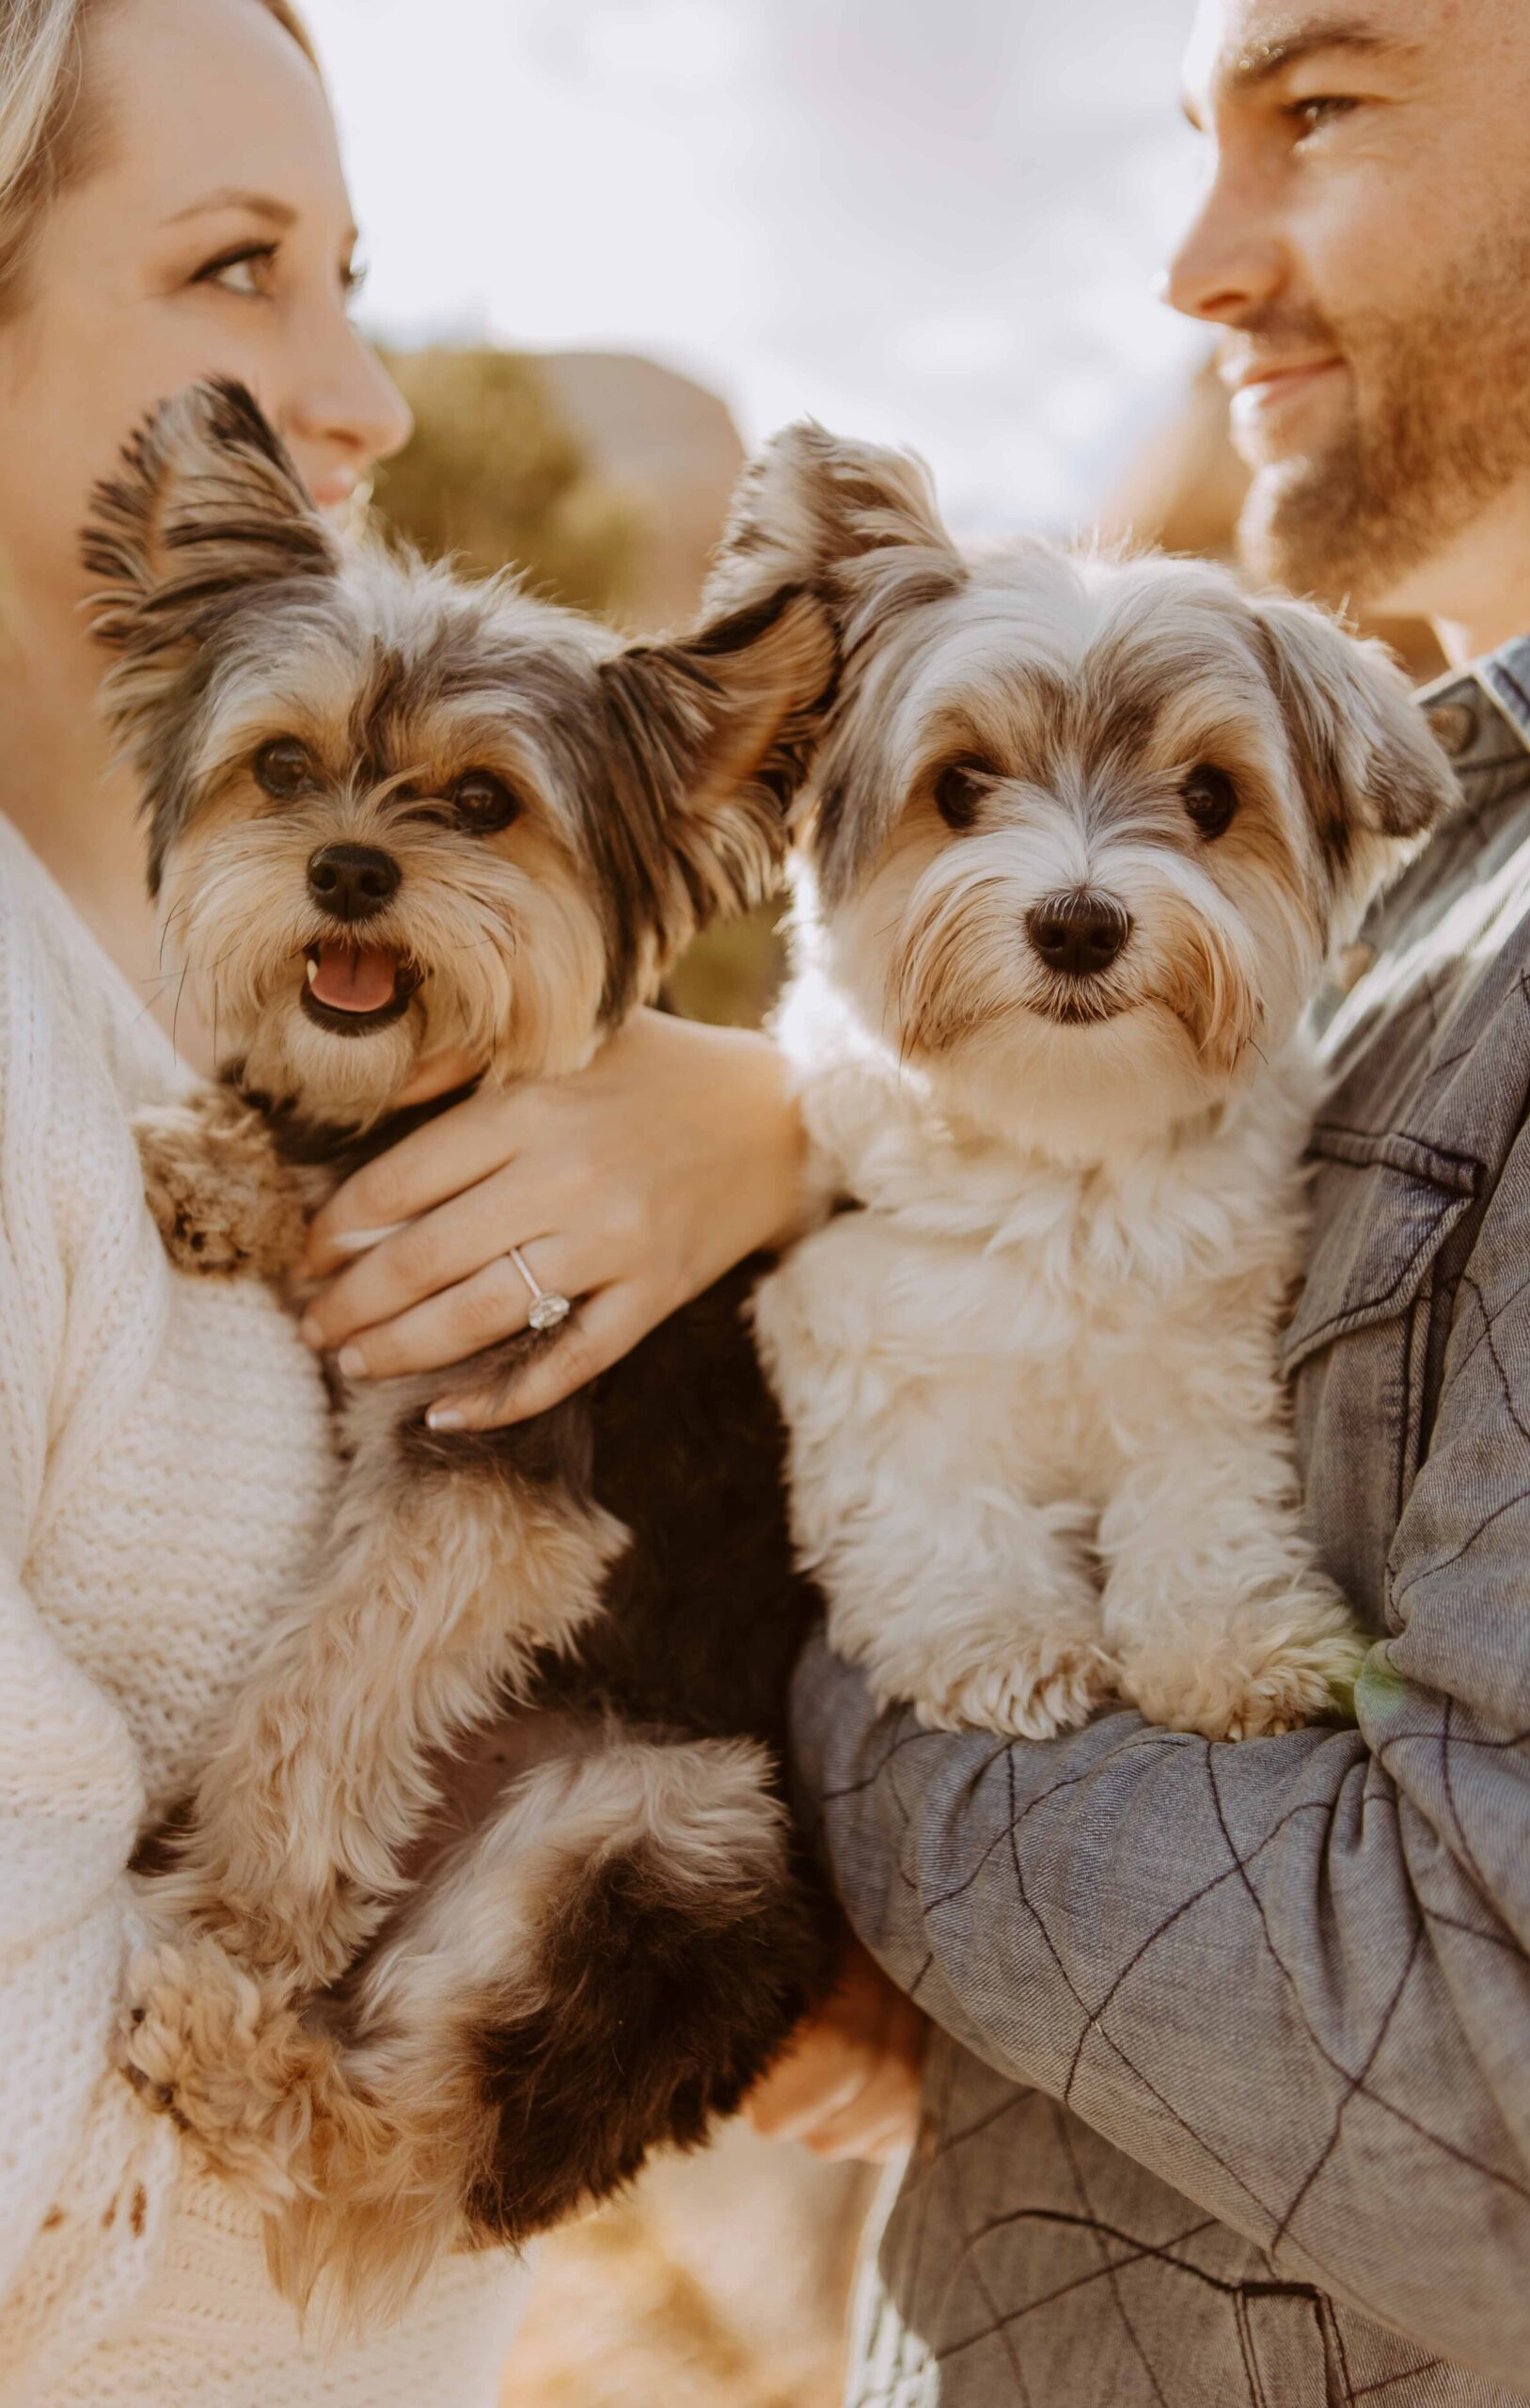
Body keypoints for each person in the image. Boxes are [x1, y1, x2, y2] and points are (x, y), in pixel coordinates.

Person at [736, 1, 1530, 2401]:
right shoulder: (1429, 848)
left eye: (1314, 111)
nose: (1190, 266)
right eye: (1189, 141)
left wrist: (824, 1768)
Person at [0, 0, 800, 2396]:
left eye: (353, 273)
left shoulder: (241, 1030)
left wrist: (781, 1113)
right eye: (238, 270)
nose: (357, 397)